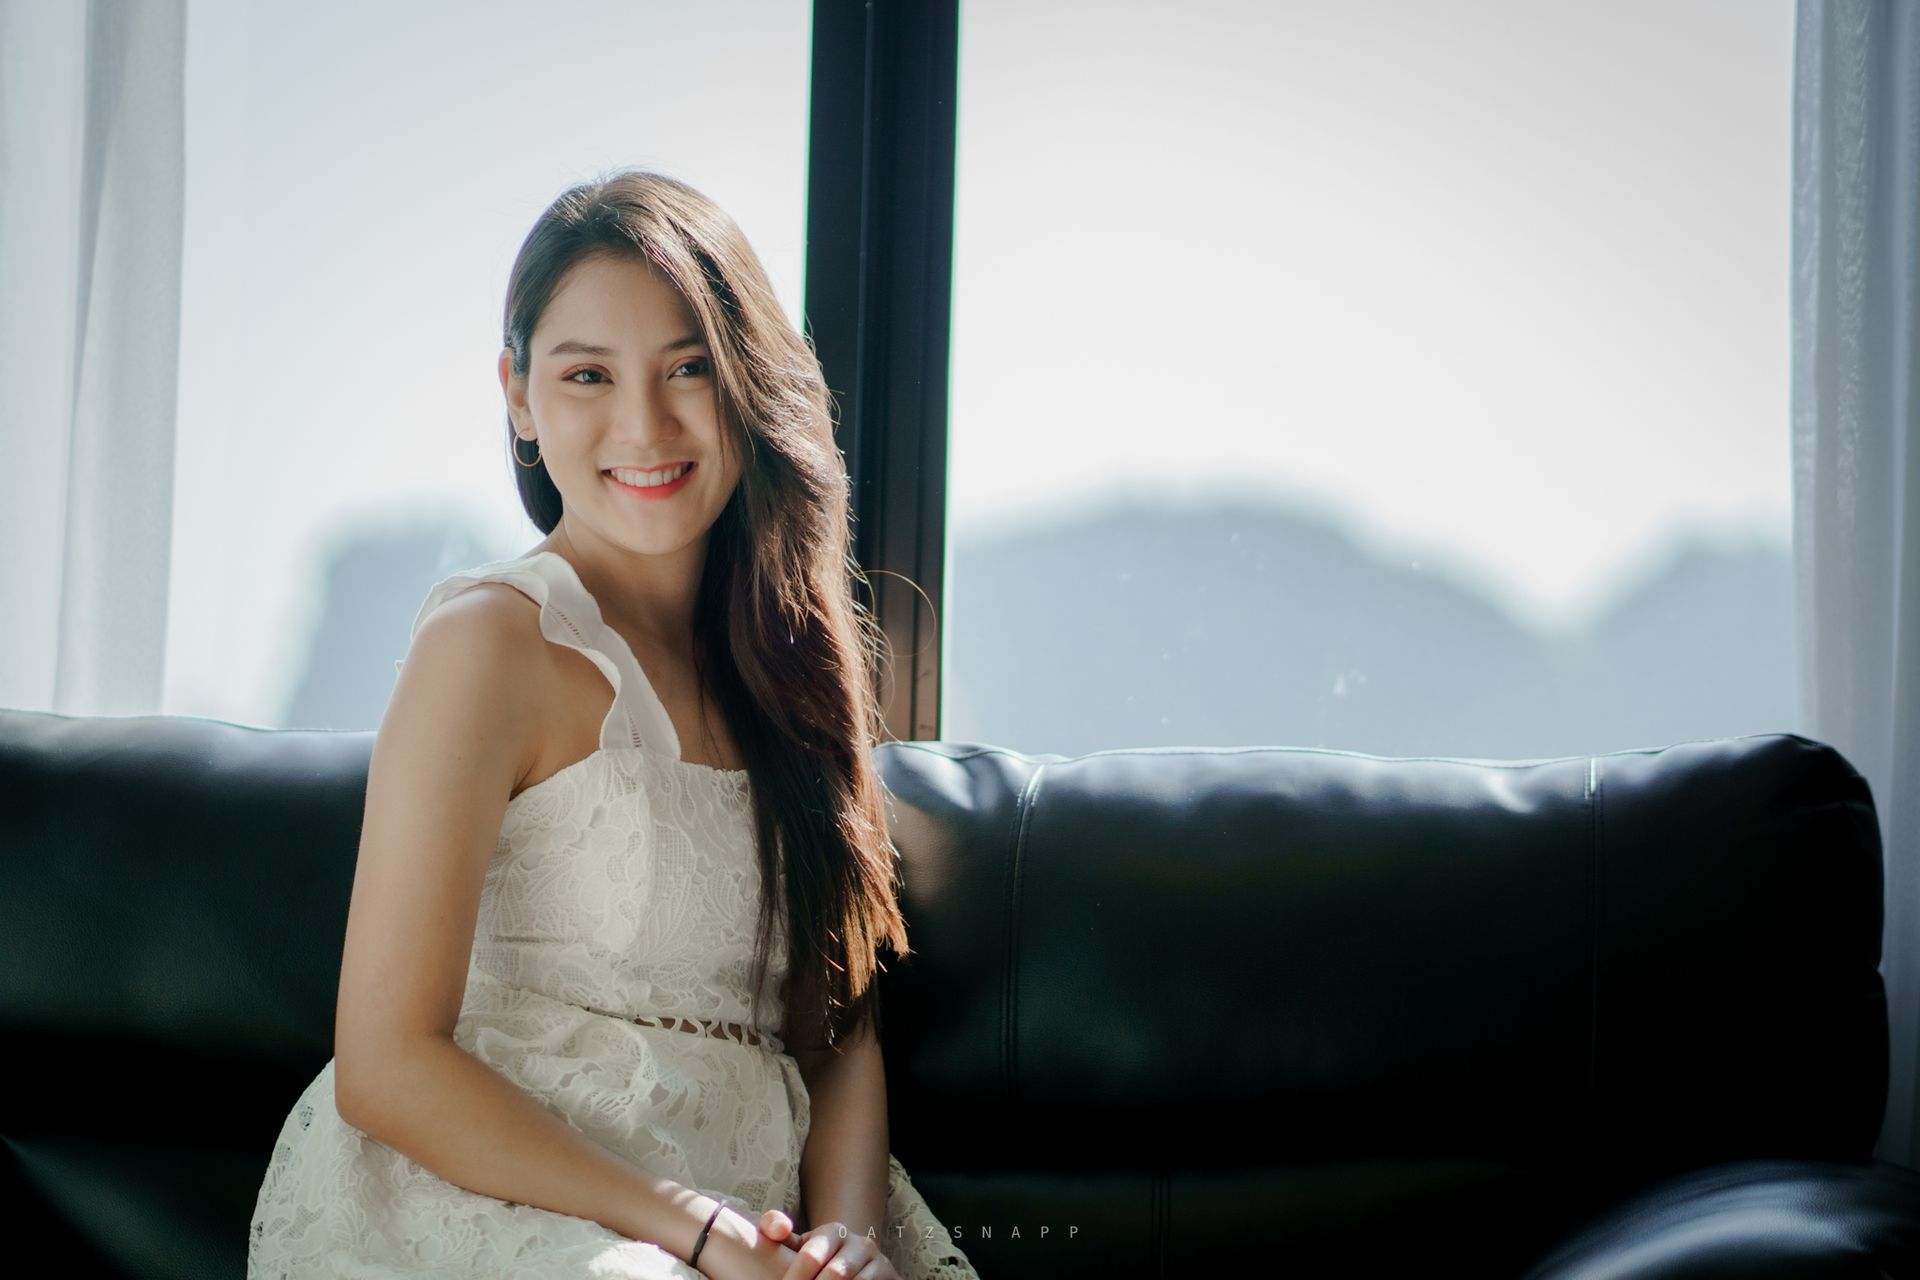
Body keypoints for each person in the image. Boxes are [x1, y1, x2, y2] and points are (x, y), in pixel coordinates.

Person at [248, 167, 982, 1280]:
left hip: (748, 1221)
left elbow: (836, 1036)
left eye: (689, 367)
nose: (644, 423)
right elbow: (388, 1061)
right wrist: (687, 1227)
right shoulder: (488, 642)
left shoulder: (793, 673)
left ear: (747, 387)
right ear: (519, 395)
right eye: (587, 373)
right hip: (499, 1199)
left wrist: (847, 1240)